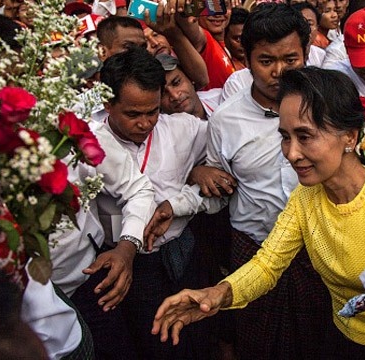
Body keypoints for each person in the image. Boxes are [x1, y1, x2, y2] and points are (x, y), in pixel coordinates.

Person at [151, 66, 365, 359]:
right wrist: (217, 295)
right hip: (340, 341)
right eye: (285, 137)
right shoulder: (306, 198)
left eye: (305, 136)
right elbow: (267, 266)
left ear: (350, 137)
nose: (291, 153)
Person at [187, 5, 336, 359]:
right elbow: (218, 189)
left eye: (291, 59)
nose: (279, 71)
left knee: (322, 341)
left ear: (308, 53)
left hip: (321, 251)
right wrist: (197, 176)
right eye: (266, 60)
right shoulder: (226, 121)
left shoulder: (330, 106)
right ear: (247, 58)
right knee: (258, 343)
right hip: (254, 252)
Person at [99, 47, 228, 359]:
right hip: (126, 263)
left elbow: (226, 177)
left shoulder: (183, 130)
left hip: (182, 252)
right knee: (155, 341)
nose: (145, 123)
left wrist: (199, 171)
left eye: (152, 112)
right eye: (132, 114)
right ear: (107, 103)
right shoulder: (91, 143)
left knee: (199, 332)